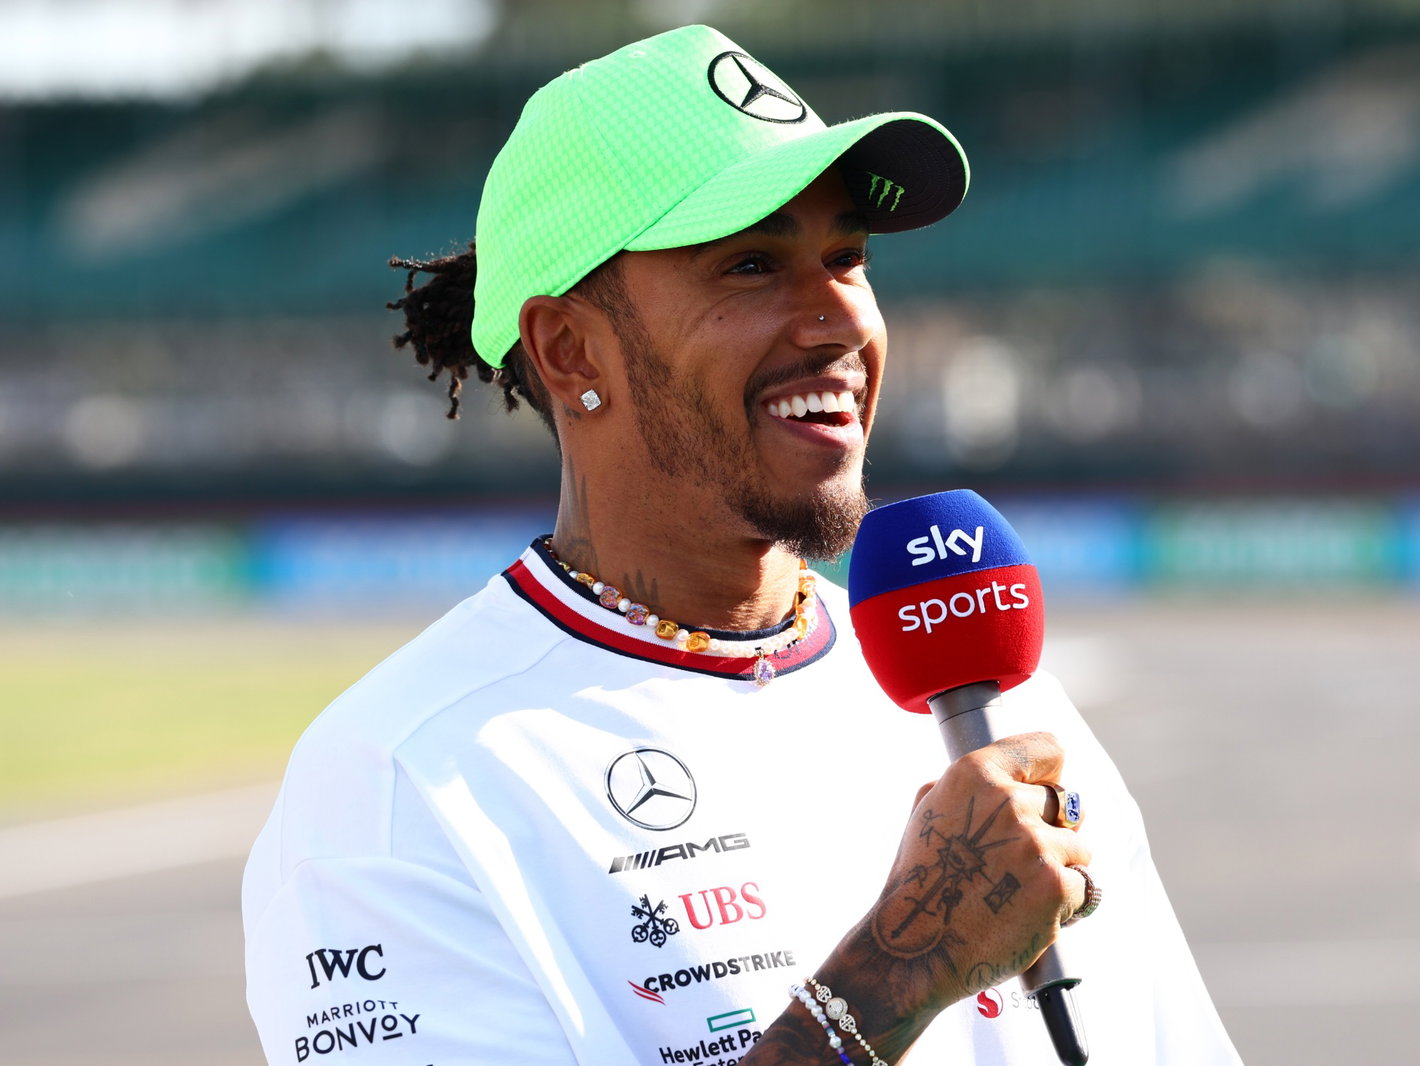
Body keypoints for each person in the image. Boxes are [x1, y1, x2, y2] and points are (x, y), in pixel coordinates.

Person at [242, 24, 1241, 1066]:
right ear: (569, 348)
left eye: (846, 255)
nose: (837, 319)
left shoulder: (992, 709)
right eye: (753, 264)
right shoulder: (401, 782)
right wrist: (896, 972)